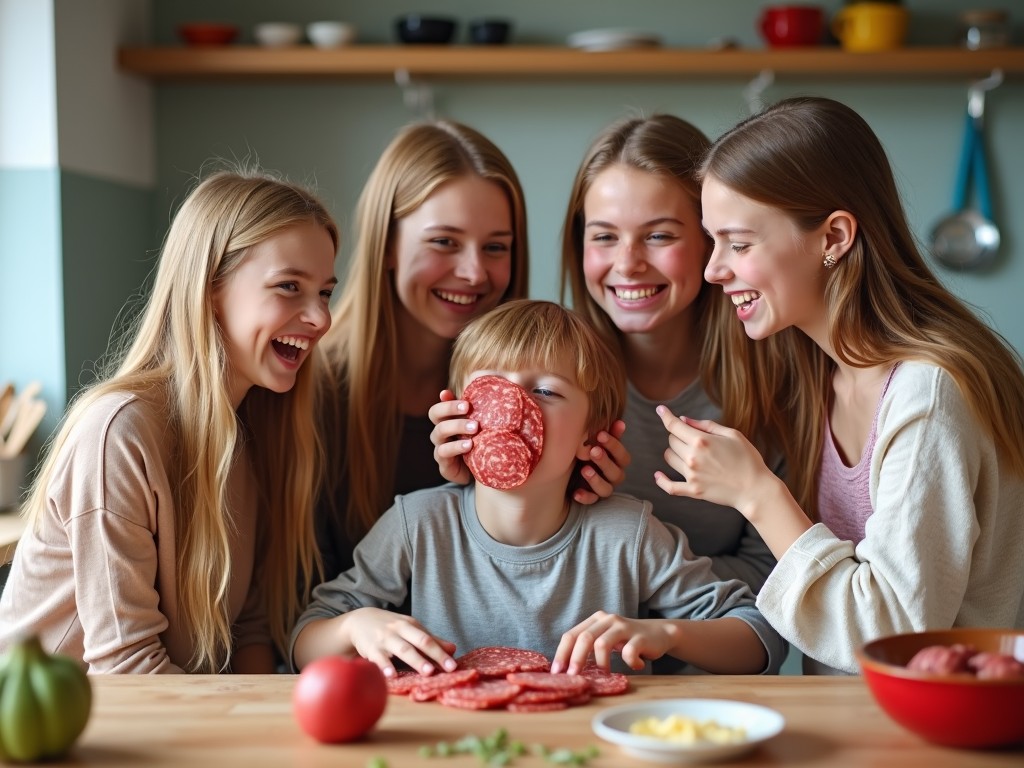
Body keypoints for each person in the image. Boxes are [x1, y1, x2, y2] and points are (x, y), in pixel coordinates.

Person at [654, 96, 1024, 674]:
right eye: (713, 240)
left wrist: (756, 493)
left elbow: (896, 639)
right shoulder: (824, 372)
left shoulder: (928, 395)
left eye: (740, 243)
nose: (713, 269)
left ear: (834, 237)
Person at [292, 300, 786, 678]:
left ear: (593, 433)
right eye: (489, 387)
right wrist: (354, 626)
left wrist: (664, 632)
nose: (510, 411)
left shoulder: (627, 535)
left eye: (545, 392)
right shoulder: (416, 525)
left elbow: (761, 637)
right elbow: (303, 642)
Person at [0, 169, 339, 673]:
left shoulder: (253, 428)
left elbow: (246, 625)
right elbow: (127, 670)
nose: (320, 318)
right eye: (289, 286)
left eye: (326, 292)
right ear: (208, 290)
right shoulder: (118, 432)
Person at [431, 115, 776, 593]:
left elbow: (772, 576)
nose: (628, 264)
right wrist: (477, 485)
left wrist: (630, 559)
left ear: (709, 240)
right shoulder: (542, 381)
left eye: (659, 235)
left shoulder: (773, 382)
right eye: (604, 236)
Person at [315, 120, 627, 583]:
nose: (474, 272)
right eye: (444, 241)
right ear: (387, 245)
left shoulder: (544, 391)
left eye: (496, 247)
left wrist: (565, 495)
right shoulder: (311, 388)